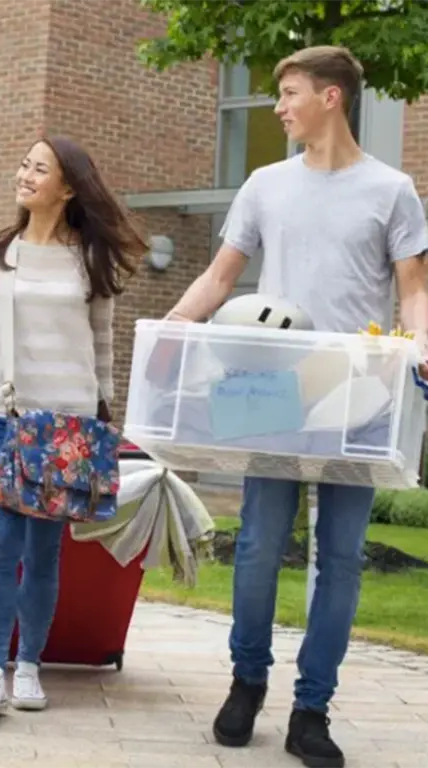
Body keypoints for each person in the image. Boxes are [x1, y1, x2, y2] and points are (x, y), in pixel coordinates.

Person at [165, 46, 428, 768]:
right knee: (256, 547)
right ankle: (247, 680)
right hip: (275, 386)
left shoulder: (393, 190)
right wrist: (172, 333)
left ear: (332, 97)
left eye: (288, 93)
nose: (278, 106)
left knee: (339, 558)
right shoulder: (263, 185)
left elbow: (412, 289)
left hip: (358, 389)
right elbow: (221, 277)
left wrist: (422, 343)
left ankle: (312, 708)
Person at [0, 136, 146, 715]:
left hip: (67, 425)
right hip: (0, 416)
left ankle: (30, 666)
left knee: (43, 553)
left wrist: (104, 420)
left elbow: (103, 344)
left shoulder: (89, 257)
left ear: (67, 187)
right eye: (24, 165)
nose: (26, 174)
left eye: (40, 168)